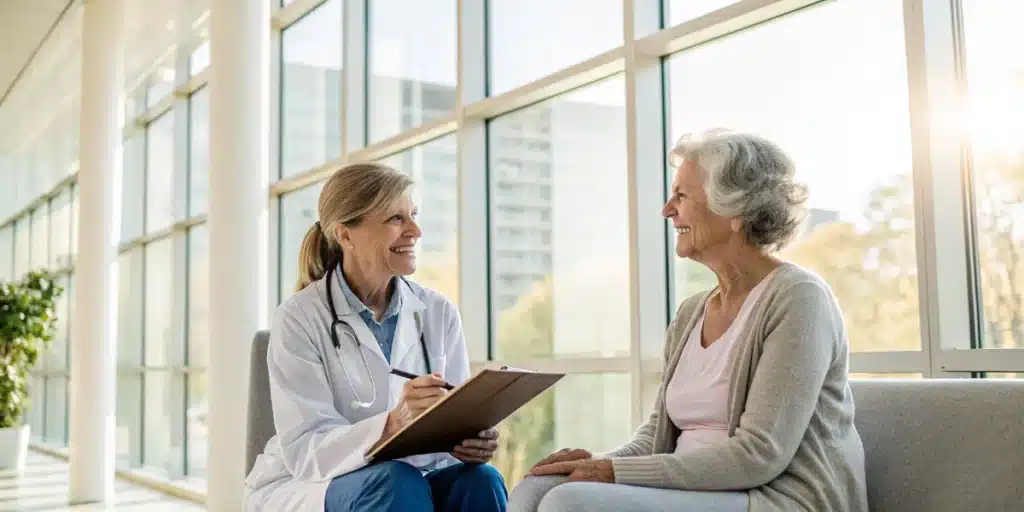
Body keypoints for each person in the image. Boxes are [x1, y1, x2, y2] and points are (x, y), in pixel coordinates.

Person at [508, 130, 868, 512]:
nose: (667, 209)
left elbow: (759, 455)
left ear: (734, 211)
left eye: (681, 196)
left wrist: (611, 472)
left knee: (570, 503)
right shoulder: (691, 312)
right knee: (535, 489)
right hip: (697, 493)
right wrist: (594, 463)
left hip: (777, 498)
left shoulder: (798, 297)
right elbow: (656, 438)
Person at [243, 163, 508, 512]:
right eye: (396, 219)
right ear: (346, 235)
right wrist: (392, 424)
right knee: (395, 482)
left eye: (412, 215)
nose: (416, 230)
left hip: (414, 475)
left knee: (481, 480)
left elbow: (452, 420)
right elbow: (306, 450)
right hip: (313, 483)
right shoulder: (300, 317)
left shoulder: (437, 312)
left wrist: (470, 441)